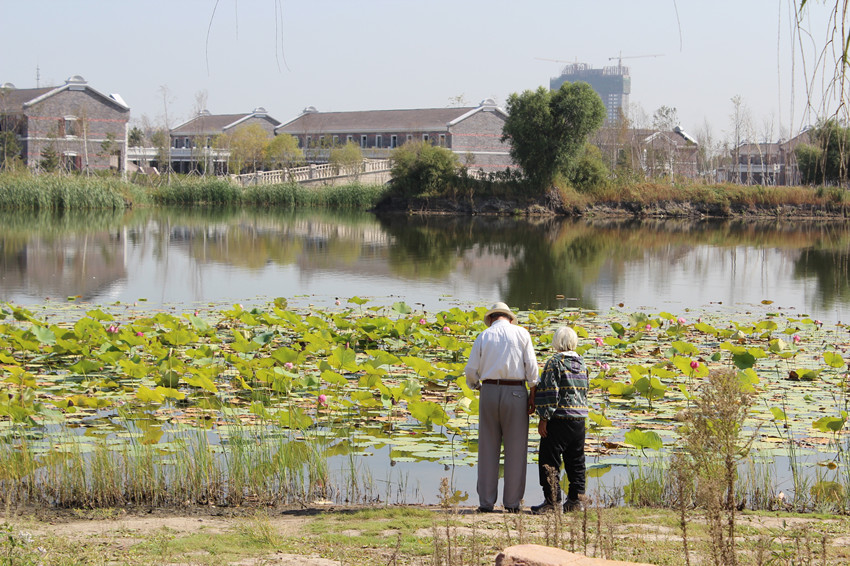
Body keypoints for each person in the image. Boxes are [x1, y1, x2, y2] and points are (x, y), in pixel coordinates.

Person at [464, 302, 539, 513]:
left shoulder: (483, 336)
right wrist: (532, 394)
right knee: (516, 449)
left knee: (488, 447)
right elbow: (532, 370)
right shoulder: (522, 334)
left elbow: (470, 369)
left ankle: (486, 503)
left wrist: (477, 386)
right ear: (509, 318)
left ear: (491, 318)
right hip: (515, 391)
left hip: (488, 391)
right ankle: (512, 503)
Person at [531, 326, 588, 514]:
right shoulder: (582, 362)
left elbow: (550, 393)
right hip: (579, 419)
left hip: (559, 419)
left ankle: (552, 502)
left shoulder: (554, 362)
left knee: (550, 460)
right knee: (576, 460)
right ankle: (575, 501)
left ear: (557, 342)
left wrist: (543, 418)